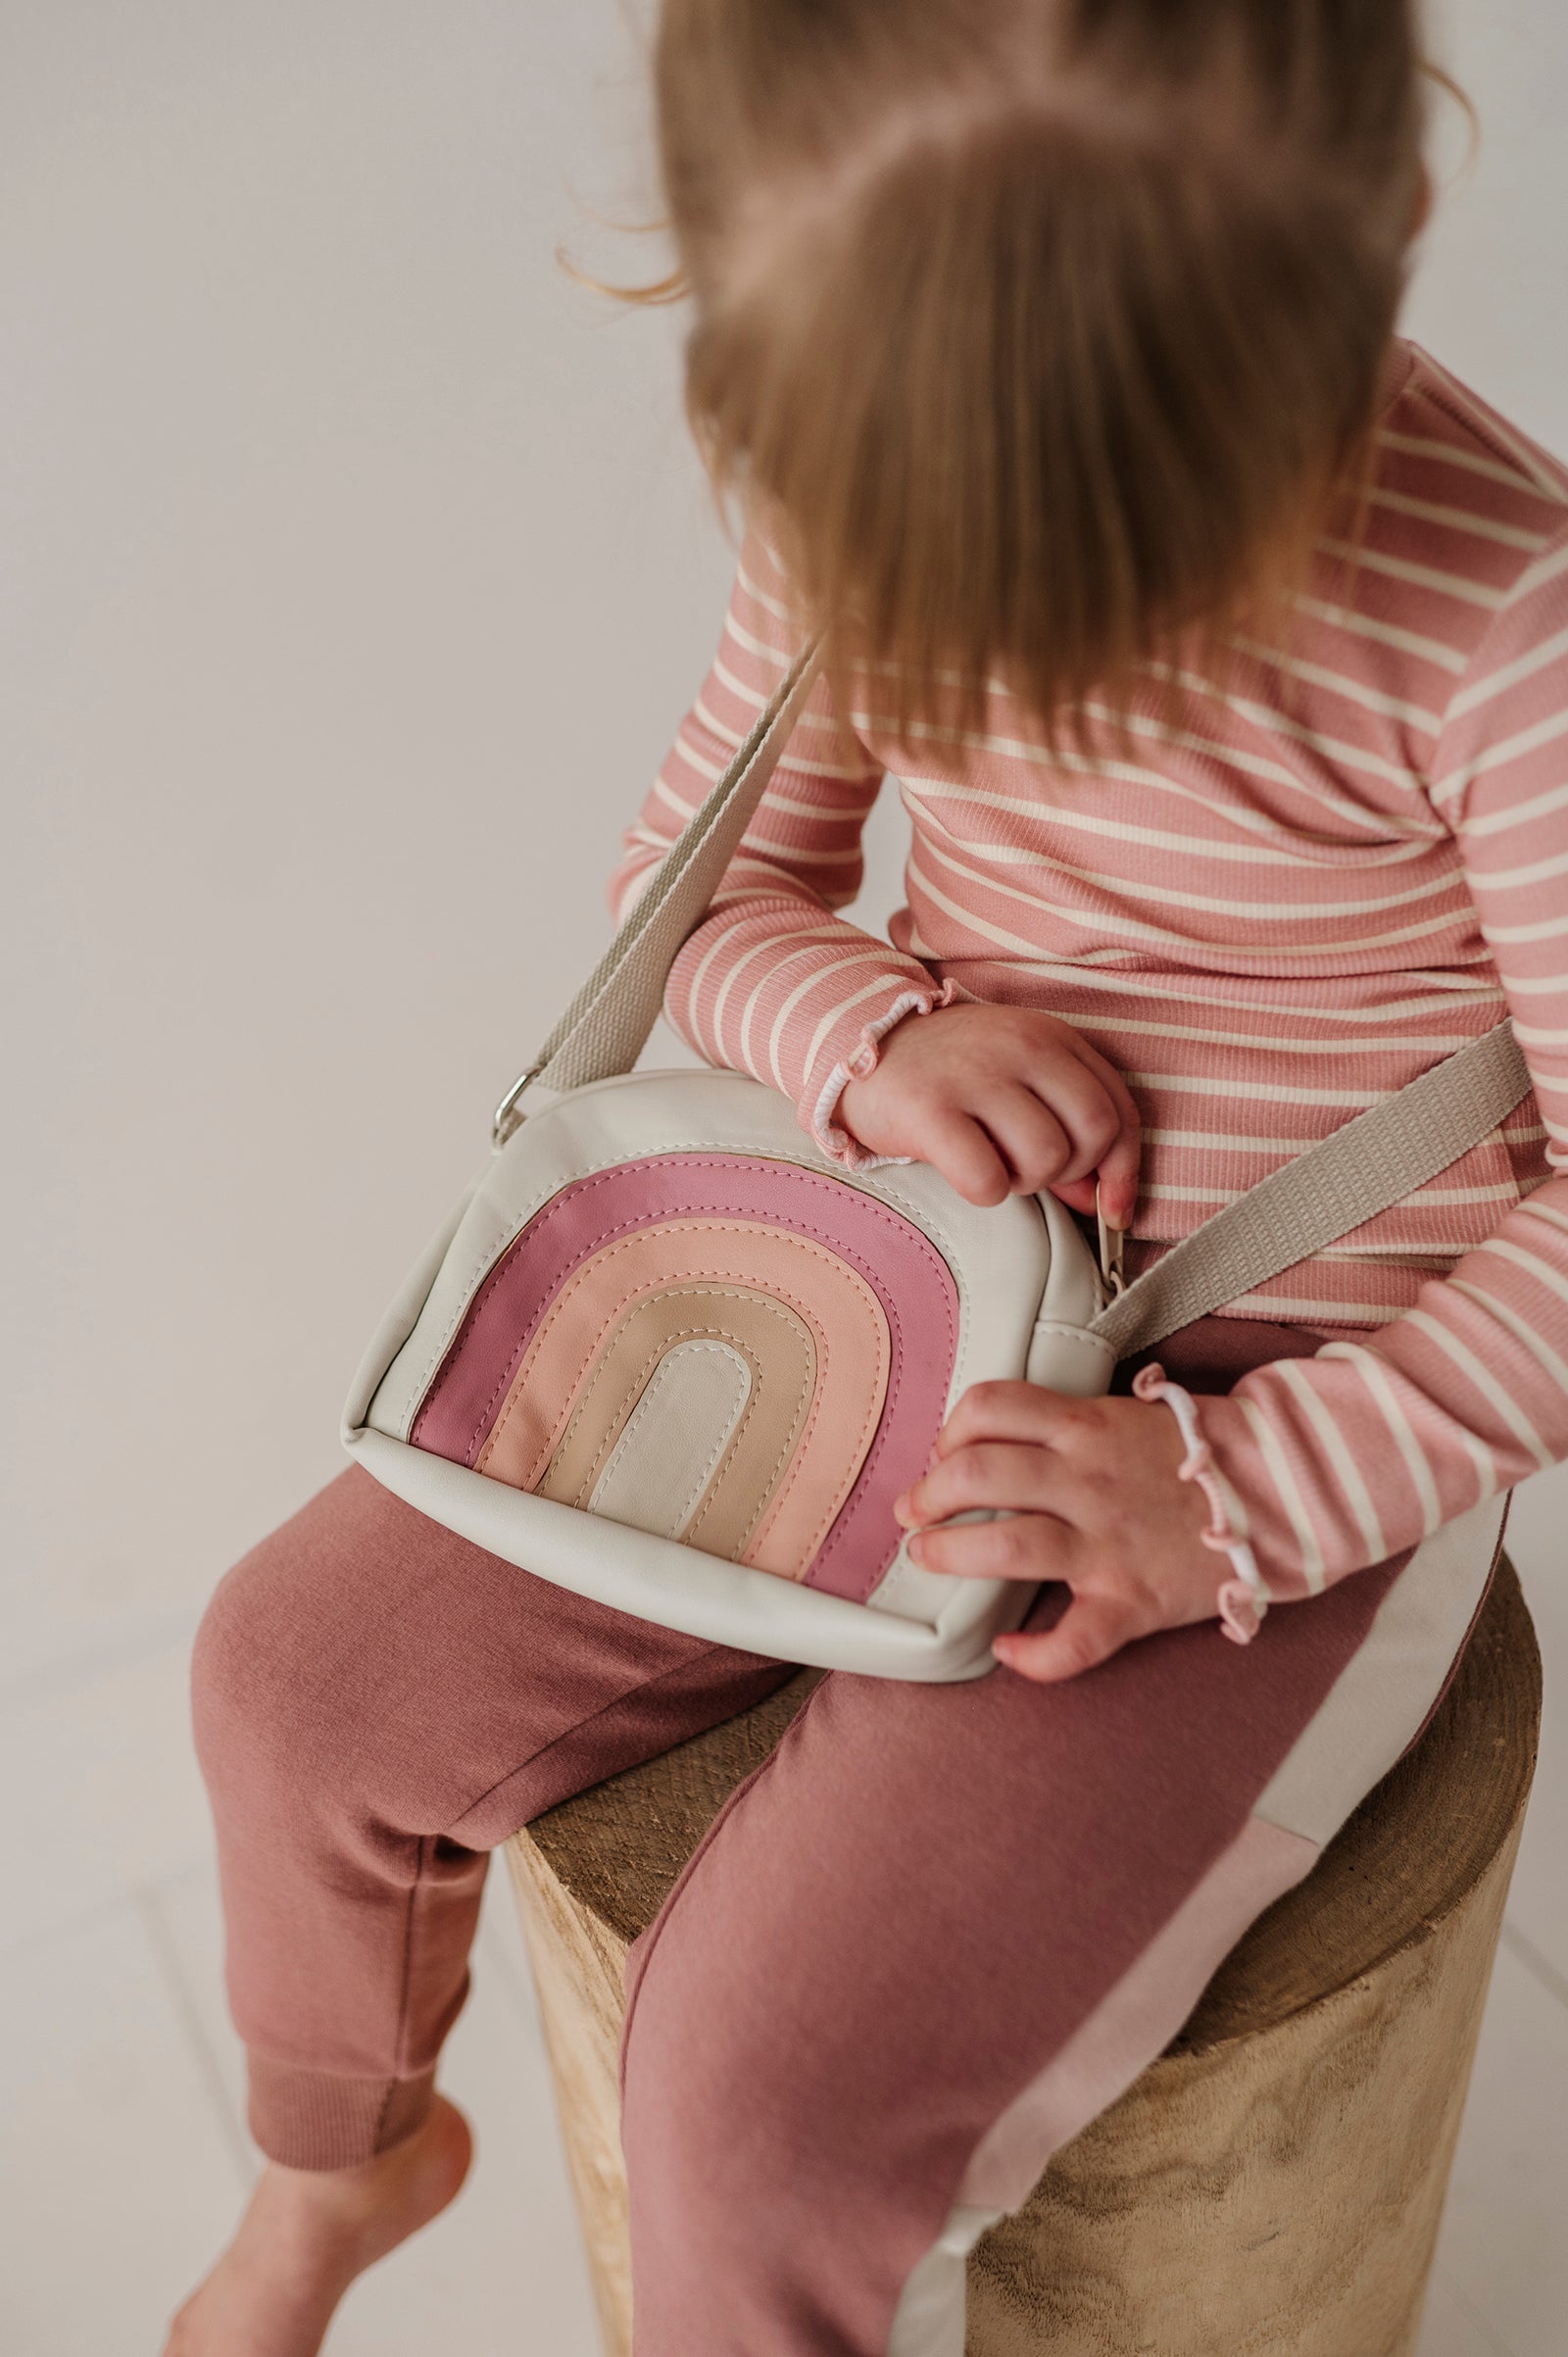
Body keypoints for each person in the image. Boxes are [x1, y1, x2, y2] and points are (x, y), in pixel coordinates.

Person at [168, 3, 1568, 2352]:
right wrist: (878, 1033)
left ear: (1378, 247)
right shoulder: (863, 467)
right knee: (288, 1685)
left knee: (755, 2112)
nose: (1037, 659)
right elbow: (706, 894)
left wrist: (1230, 1499)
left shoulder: (1501, 623)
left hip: (1273, 1398)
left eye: (1136, 587)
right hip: (899, 1265)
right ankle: (344, 2169)